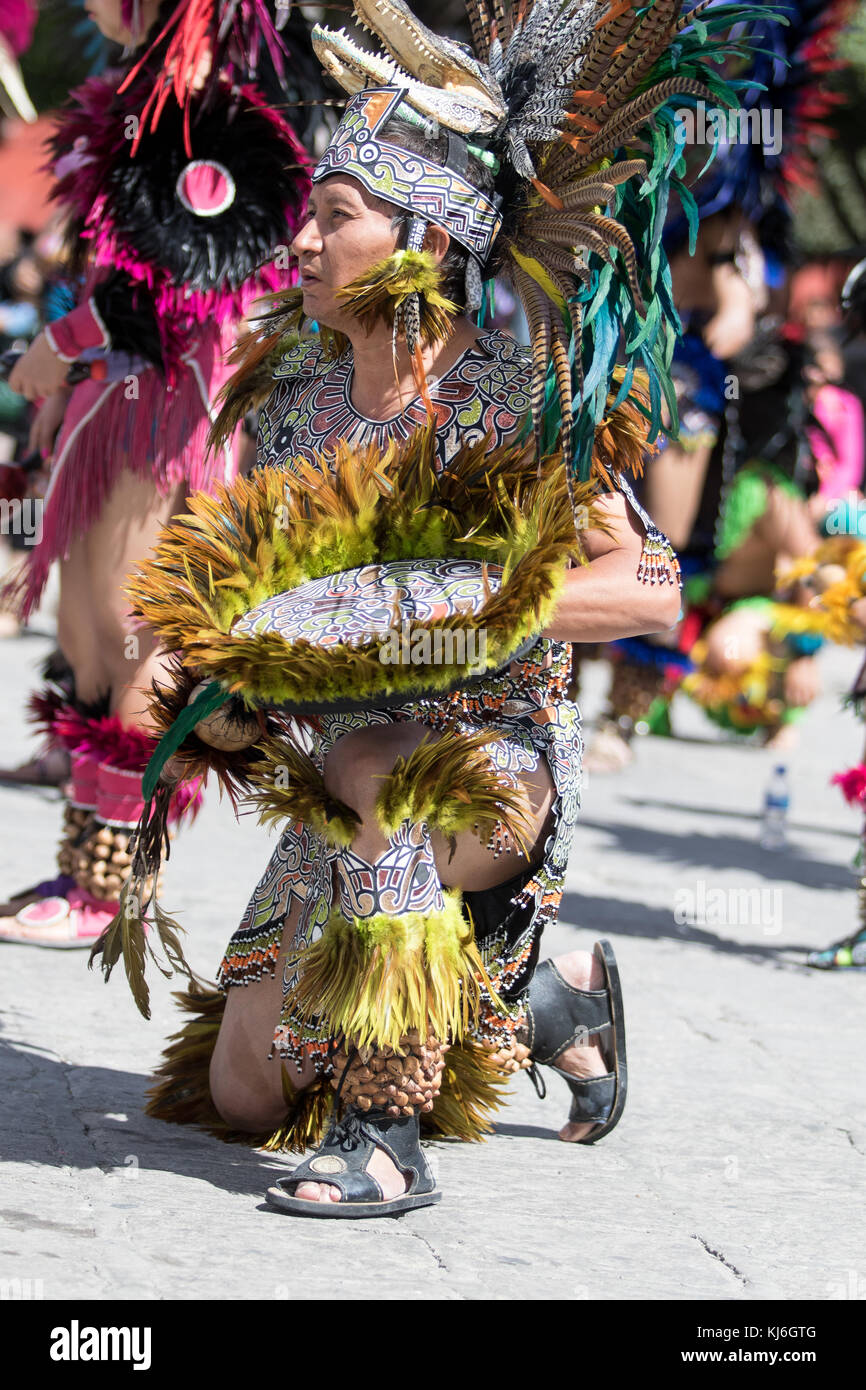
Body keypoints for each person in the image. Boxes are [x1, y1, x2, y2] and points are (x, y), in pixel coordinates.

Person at [94, 0, 756, 1216]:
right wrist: (199, 673)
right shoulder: (292, 409)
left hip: (493, 761)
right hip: (344, 771)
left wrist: (465, 606)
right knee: (242, 1097)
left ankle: (384, 1131)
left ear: (428, 238)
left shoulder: (517, 399)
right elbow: (245, 595)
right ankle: (538, 992)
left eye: (334, 216)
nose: (299, 241)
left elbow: (651, 588)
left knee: (387, 769)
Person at [0, 0, 312, 945]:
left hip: (171, 395)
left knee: (137, 628)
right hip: (123, 391)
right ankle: (84, 871)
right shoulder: (156, 86)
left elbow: (195, 282)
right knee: (91, 630)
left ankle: (112, 889)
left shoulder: (207, 88)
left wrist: (65, 342)